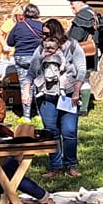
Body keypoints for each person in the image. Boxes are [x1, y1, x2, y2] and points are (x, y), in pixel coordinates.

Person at [39, 17, 85, 175]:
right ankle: (56, 166)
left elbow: (82, 70)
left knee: (70, 131)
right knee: (51, 131)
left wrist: (77, 92)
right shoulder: (41, 48)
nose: (43, 36)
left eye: (46, 33)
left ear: (55, 32)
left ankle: (71, 165)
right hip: (47, 96)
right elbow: (32, 69)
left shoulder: (72, 46)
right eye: (42, 34)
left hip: (68, 94)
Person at [5, 3, 47, 118]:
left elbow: (9, 42)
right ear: (37, 13)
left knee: (25, 85)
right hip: (37, 58)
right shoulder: (42, 26)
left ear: (25, 14)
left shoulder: (18, 26)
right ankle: (40, 114)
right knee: (39, 85)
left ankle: (26, 116)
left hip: (21, 58)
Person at [65, 0, 101, 71]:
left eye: (72, 4)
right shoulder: (93, 13)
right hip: (92, 52)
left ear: (80, 3)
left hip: (82, 53)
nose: (71, 7)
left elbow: (76, 37)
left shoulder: (82, 16)